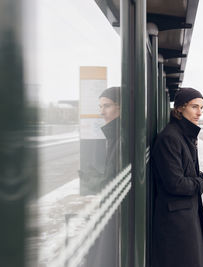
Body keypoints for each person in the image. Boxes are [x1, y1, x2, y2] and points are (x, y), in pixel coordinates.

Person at [152, 87, 203, 267]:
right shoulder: (170, 138)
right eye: (194, 107)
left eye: (201, 107)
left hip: (185, 217)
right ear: (179, 109)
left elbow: (182, 175)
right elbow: (175, 184)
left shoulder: (183, 135)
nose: (199, 112)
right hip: (176, 224)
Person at [85, 86, 120, 267]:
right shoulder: (116, 134)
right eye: (100, 107)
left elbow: (112, 181)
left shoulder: (122, 137)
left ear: (120, 107)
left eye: (106, 106)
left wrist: (91, 180)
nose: (102, 112)